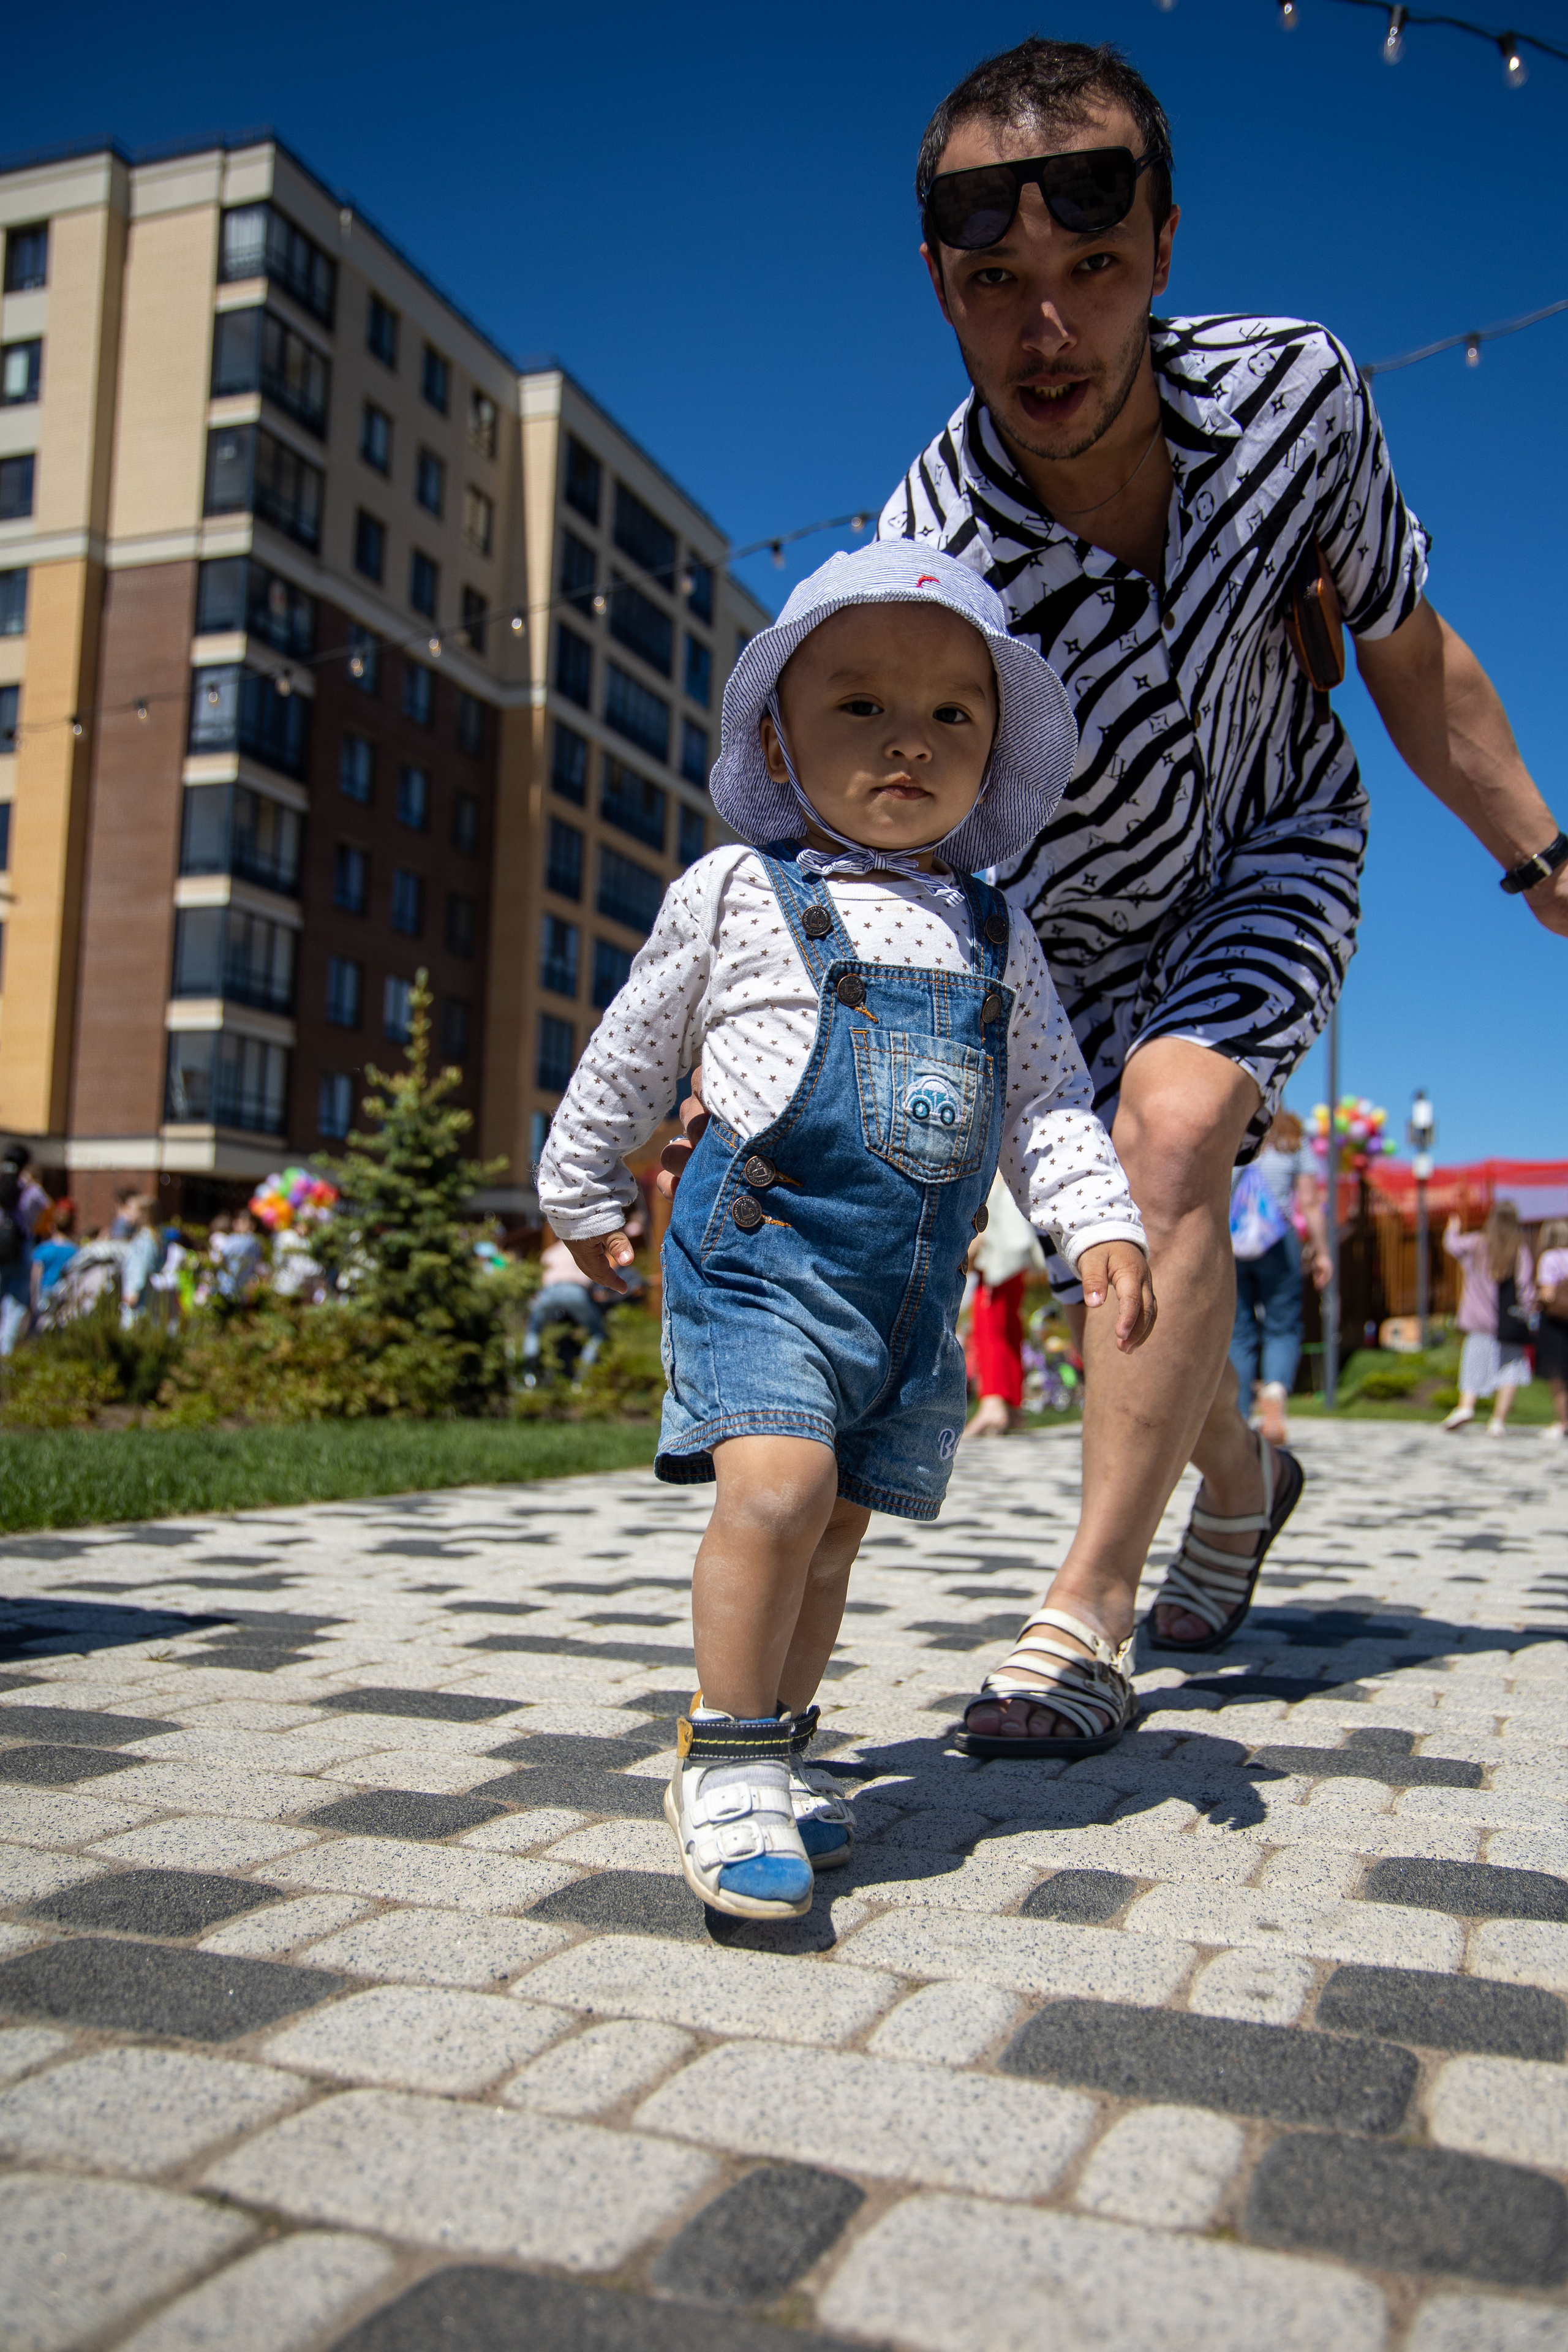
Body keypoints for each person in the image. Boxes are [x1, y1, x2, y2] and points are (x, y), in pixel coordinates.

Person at [865, 34, 1567, 1730]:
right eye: (998, 282)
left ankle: (1083, 1615)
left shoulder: (1296, 398)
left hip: (1272, 845)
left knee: (1174, 1135)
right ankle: (1242, 1484)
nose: (1049, 331)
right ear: (941, 285)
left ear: (1164, 248)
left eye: (1093, 269)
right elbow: (883, 834)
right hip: (1060, 944)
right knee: (1123, 1259)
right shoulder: (930, 557)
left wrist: (1545, 863)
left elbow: (1404, 652)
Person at [537, 542, 1155, 1918]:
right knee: (776, 1491)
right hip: (762, 1260)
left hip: (903, 1295)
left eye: (949, 716)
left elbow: (1046, 1098)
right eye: (859, 708)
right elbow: (633, 1049)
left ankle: (779, 1741)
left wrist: (1095, 1221)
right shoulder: (734, 892)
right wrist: (579, 1186)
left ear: (991, 757)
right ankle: (728, 1756)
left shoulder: (997, 932)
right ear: (778, 735)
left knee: (833, 1533)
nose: (905, 744)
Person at [1228, 1109, 1331, 1446]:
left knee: (1238, 1332)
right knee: (1282, 1325)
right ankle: (1273, 1390)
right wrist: (1322, 1251)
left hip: (1231, 1241)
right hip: (1277, 1240)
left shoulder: (1232, 1134)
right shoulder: (1293, 1144)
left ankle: (1239, 1416)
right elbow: (1310, 1203)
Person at [963, 1172, 1047, 1438]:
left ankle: (993, 1403)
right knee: (1009, 1328)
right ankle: (1011, 1404)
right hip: (1012, 1259)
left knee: (990, 1328)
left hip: (998, 1257)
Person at [1442, 1202, 1535, 1435]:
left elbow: (1451, 1245)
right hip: (1508, 1323)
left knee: (1473, 1363)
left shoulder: (1477, 1243)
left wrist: (1453, 1227)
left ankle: (1466, 1406)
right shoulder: (1519, 1249)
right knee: (1510, 1369)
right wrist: (1531, 1313)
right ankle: (1498, 1420)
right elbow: (1526, 1289)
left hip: (1477, 1321)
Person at [522, 1228, 611, 1381]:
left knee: (533, 1331)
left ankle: (530, 1376)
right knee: (597, 1333)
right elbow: (595, 1278)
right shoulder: (584, 1250)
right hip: (575, 1291)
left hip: (549, 1292)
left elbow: (542, 1280)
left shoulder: (550, 1252)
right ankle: (583, 1379)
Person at [0, 1142, 48, 1355]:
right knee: (15, 1309)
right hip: (20, 1253)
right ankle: (6, 1355)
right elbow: (42, 1210)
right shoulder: (31, 1191)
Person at [1534, 1218, 1568, 1445]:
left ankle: (1564, 1422)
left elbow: (1547, 1294)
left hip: (1556, 1322)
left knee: (1558, 1376)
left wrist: (1536, 1299)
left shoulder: (1550, 1258)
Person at [29, 1198, 78, 1321]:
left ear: (53, 1226)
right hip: (65, 1294)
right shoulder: (76, 1251)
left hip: (45, 1293)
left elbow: (35, 1277)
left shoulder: (42, 1250)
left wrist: (31, 1301)